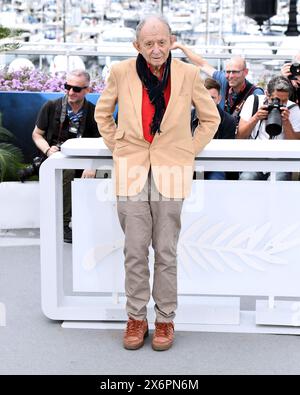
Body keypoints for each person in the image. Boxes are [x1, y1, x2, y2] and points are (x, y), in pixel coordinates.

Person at [95, 15, 220, 351]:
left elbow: (211, 119)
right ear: (138, 46)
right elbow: (102, 115)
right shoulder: (120, 72)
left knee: (165, 251)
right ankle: (136, 318)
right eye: (148, 43)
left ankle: (165, 320)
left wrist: (187, 150)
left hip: (172, 172)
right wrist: (119, 145)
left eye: (161, 42)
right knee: (134, 251)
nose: (156, 49)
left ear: (171, 41)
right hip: (131, 170)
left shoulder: (189, 74)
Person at [32, 69, 100, 243]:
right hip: (56, 159)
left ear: (87, 90)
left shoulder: (94, 112)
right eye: (67, 87)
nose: (70, 92)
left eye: (76, 89)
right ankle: (63, 224)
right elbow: (37, 135)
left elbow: (103, 141)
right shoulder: (51, 106)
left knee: (100, 173)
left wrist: (92, 164)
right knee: (67, 172)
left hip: (84, 159)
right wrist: (48, 150)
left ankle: (93, 222)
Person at [171, 42, 264, 122]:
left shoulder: (255, 93)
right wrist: (180, 46)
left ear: (245, 72)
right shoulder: (224, 80)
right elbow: (202, 64)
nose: (230, 76)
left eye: (235, 72)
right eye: (228, 72)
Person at [237, 75, 300, 181]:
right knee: (247, 178)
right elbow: (239, 136)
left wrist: (286, 123)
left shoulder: (293, 109)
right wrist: (256, 118)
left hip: (281, 162)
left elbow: (296, 144)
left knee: (279, 181)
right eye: (276, 100)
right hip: (254, 159)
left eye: (284, 101)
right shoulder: (254, 101)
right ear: (266, 94)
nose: (280, 104)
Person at [191, 77, 236, 180]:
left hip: (217, 166)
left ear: (219, 99)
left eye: (212, 98)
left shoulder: (229, 121)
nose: (208, 101)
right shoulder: (187, 117)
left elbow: (226, 155)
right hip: (192, 164)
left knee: (216, 179)